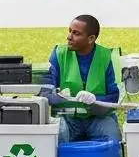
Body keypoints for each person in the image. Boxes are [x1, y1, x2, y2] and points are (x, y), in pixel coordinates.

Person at [41, 15, 121, 144]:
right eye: (70, 31)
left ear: (91, 39)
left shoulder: (105, 56)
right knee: (58, 136)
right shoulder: (59, 54)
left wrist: (95, 100)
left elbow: (114, 97)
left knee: (111, 137)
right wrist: (59, 97)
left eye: (76, 33)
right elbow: (44, 93)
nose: (69, 36)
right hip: (66, 117)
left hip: (98, 118)